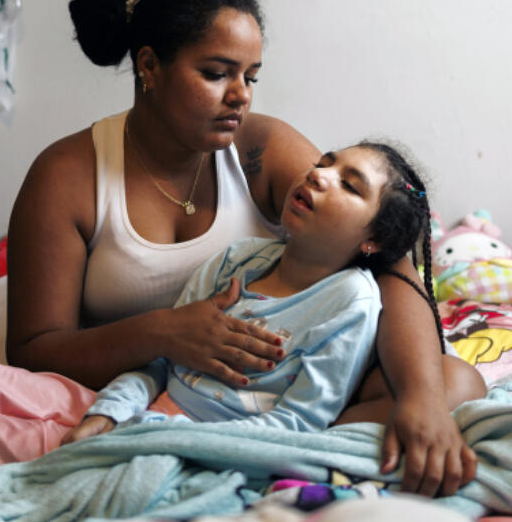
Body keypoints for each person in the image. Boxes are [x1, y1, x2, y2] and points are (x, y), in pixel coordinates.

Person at [0, 0, 481, 522]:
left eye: (251, 75)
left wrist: (420, 395)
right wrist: (166, 333)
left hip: (254, 401)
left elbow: (389, 261)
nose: (240, 95)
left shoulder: (262, 151)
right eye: (218, 71)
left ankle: (293, 455)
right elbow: (35, 349)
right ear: (150, 67)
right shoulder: (69, 174)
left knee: (456, 379)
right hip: (120, 388)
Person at [63, 142, 456, 442]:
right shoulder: (236, 261)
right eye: (323, 162)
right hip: (147, 418)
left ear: (374, 239)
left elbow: (298, 422)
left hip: (221, 446)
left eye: (350, 186)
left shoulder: (350, 301)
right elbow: (161, 361)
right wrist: (107, 414)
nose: (318, 175)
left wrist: (177, 441)